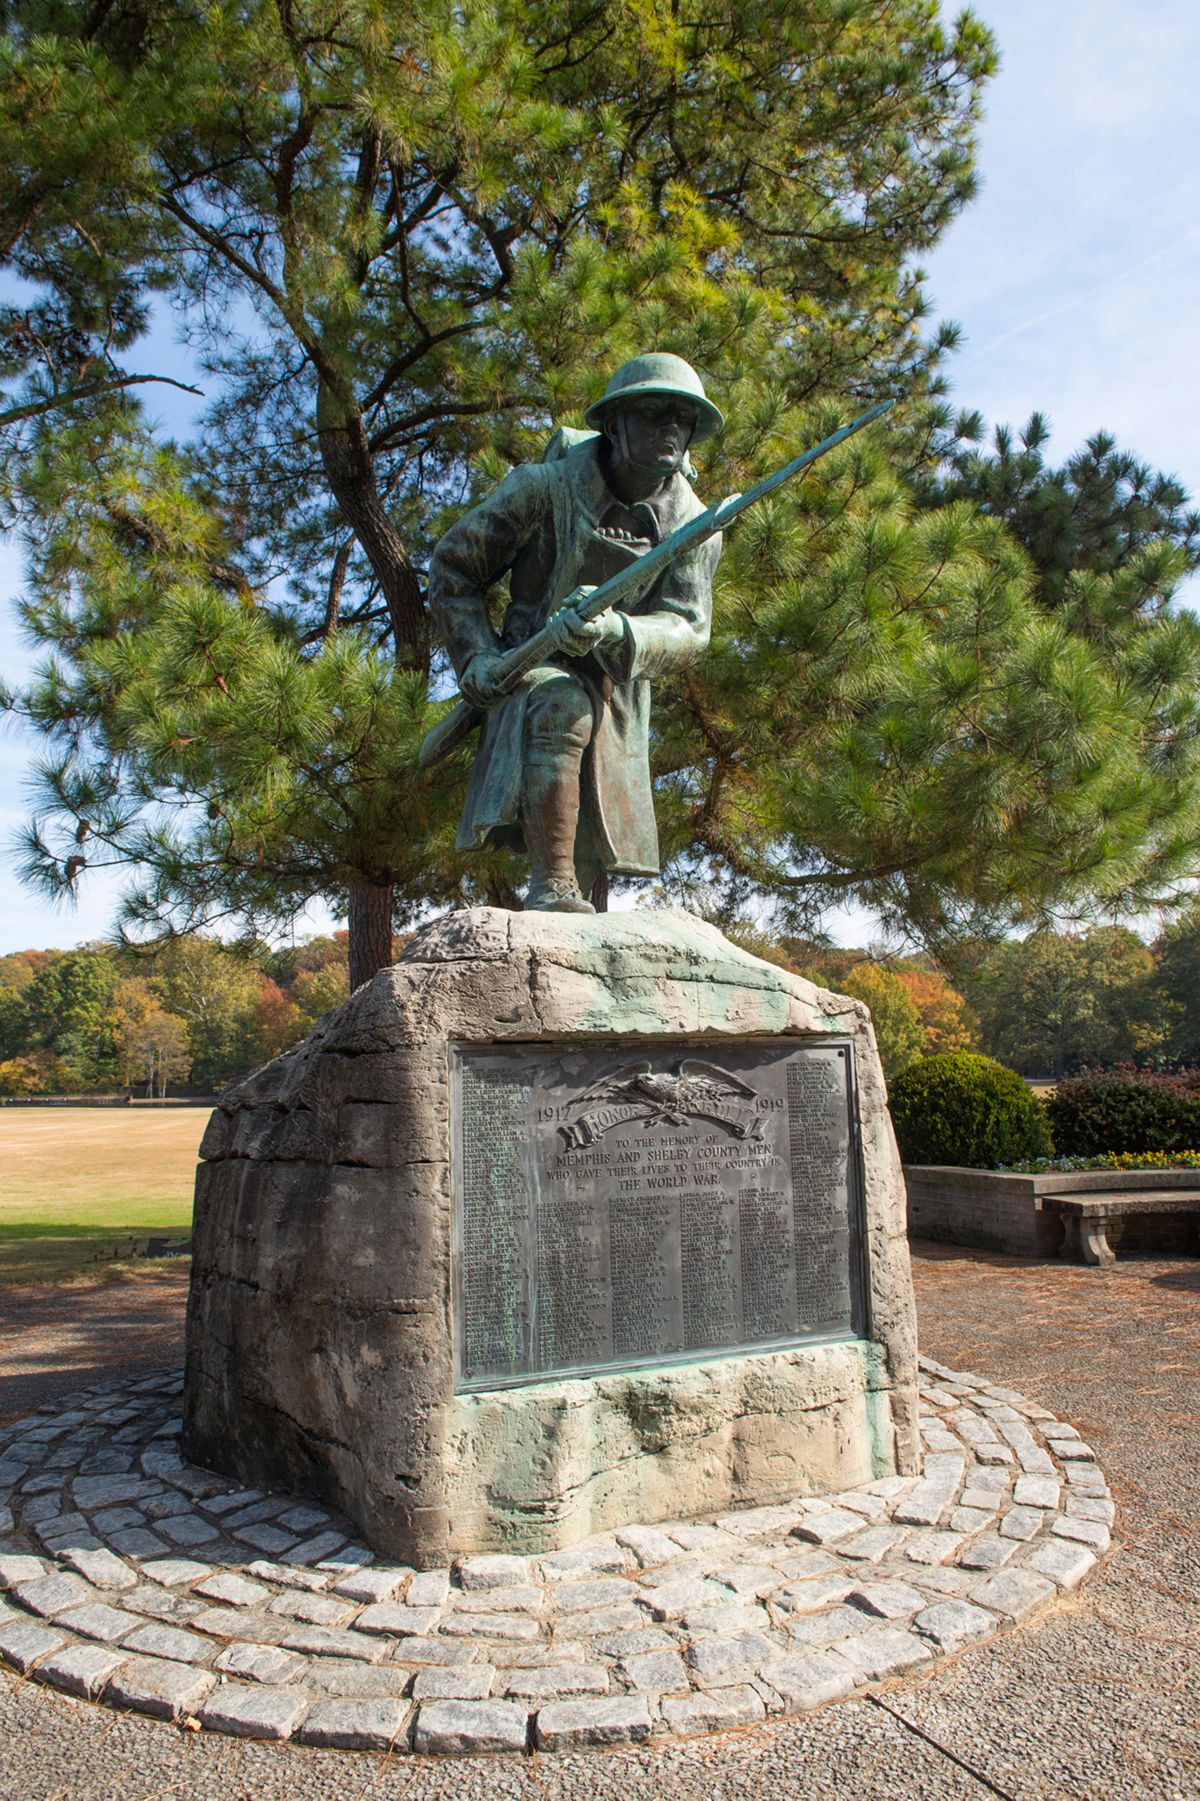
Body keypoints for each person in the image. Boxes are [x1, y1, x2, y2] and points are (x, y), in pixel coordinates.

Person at [428, 352, 724, 912]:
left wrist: (617, 628)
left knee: (598, 799)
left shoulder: (697, 528)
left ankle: (576, 897)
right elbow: (452, 569)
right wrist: (477, 657)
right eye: (653, 410)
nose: (669, 426)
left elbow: (688, 627)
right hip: (531, 662)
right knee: (561, 706)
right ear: (612, 423)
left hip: (618, 675)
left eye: (682, 418)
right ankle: (552, 885)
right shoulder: (541, 489)